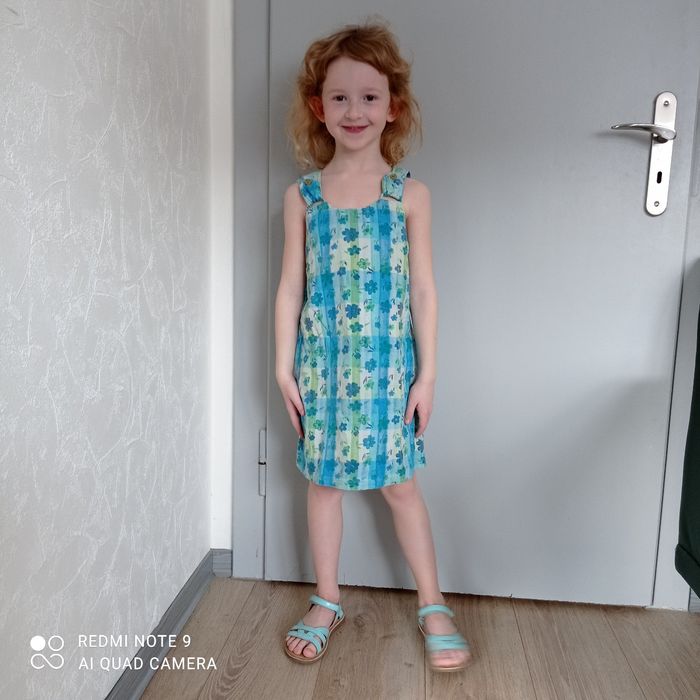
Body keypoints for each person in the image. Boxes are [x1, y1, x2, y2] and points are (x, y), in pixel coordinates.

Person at [274, 21, 471, 673]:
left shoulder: (409, 196)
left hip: (389, 373)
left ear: (393, 107)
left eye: (368, 96)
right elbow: (290, 288)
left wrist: (428, 376)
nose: (353, 110)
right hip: (323, 372)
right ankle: (326, 599)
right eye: (339, 97)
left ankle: (433, 604)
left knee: (401, 487)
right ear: (318, 107)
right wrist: (283, 368)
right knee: (323, 486)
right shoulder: (303, 198)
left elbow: (424, 291)